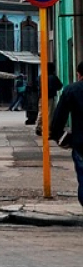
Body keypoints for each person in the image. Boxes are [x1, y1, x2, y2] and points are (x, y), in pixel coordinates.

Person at [50, 62, 83, 206]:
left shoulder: (72, 90)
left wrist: (58, 136)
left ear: (79, 74)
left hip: (81, 143)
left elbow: (59, 118)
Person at [35, 64, 64, 135]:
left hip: (41, 97)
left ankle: (38, 127)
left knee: (41, 112)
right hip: (50, 98)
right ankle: (47, 130)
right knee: (49, 114)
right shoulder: (53, 77)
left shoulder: (40, 77)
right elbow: (60, 86)